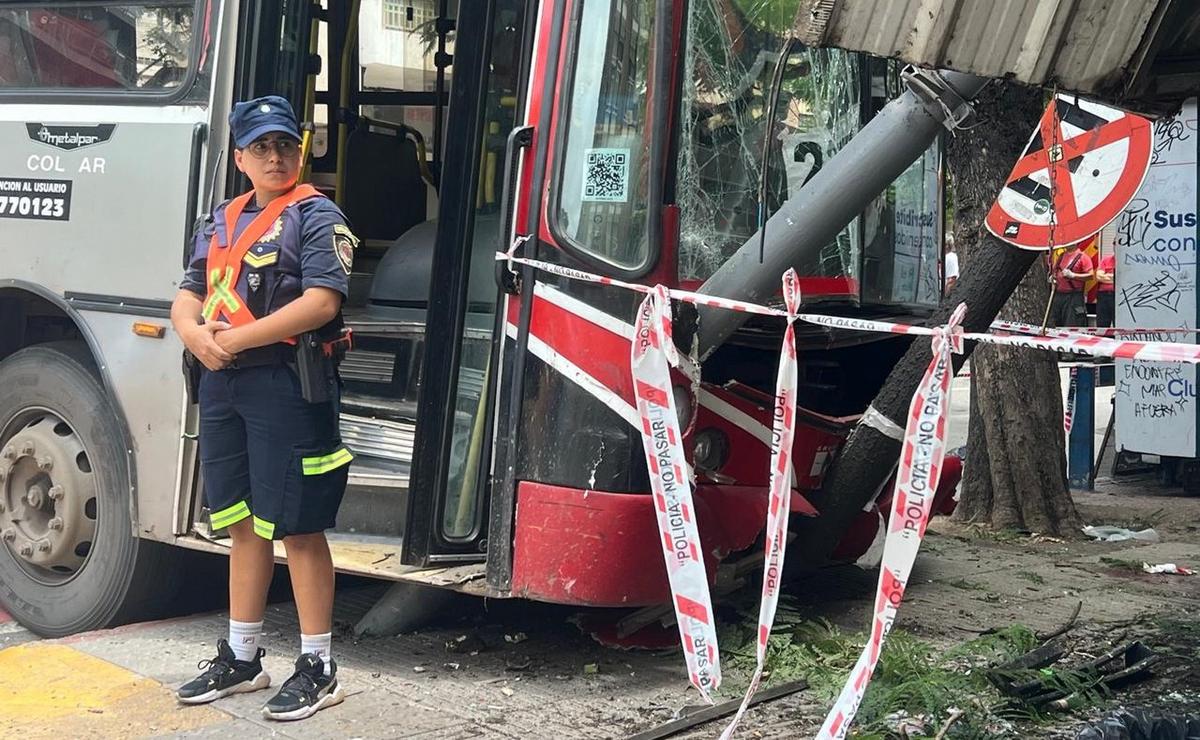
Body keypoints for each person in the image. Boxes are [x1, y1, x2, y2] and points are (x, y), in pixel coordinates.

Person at [169, 95, 358, 721]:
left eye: (285, 145)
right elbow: (189, 291)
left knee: (299, 525)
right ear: (238, 157)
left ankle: (319, 664)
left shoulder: (314, 214)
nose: (275, 157)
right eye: (261, 148)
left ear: (299, 150)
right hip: (223, 383)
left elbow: (322, 303)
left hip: (284, 380)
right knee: (241, 520)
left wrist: (229, 341)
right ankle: (243, 655)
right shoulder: (218, 220)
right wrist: (193, 333)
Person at [1048, 240, 1094, 327]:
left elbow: (1091, 275)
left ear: (1076, 242)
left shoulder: (1083, 257)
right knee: (1056, 323)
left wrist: (1073, 275)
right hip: (1058, 296)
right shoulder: (1061, 256)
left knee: (1072, 324)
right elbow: (1055, 271)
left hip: (1073, 297)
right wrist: (1053, 278)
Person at [1095, 249, 1115, 328]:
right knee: (1102, 324)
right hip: (1103, 296)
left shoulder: (1127, 261)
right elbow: (1098, 277)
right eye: (1115, 243)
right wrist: (1114, 278)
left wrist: (1107, 275)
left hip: (1118, 297)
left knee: (1118, 324)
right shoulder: (1105, 260)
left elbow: (1124, 280)